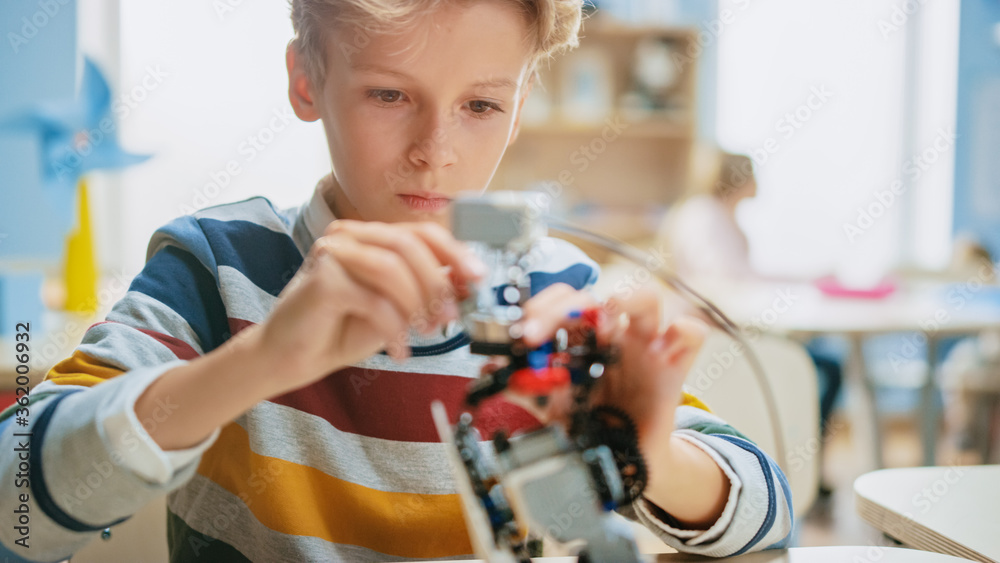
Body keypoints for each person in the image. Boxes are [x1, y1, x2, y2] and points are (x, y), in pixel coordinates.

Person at [0, 2, 792, 561]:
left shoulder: (555, 289)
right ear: (307, 79)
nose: (435, 151)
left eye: (481, 104)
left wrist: (646, 450)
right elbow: (15, 507)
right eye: (389, 94)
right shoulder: (215, 267)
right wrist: (258, 363)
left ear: (517, 112)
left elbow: (770, 510)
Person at [665, 148, 843, 490]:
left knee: (820, 360)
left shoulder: (711, 214)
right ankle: (806, 467)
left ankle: (805, 466)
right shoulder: (705, 217)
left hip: (725, 330)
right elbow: (729, 283)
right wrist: (802, 280)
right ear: (739, 178)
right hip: (716, 338)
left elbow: (740, 279)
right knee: (824, 366)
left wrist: (802, 279)